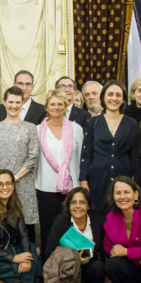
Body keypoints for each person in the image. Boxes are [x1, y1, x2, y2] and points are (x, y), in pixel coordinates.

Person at [80, 80, 141, 219]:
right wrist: (84, 183)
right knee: (98, 216)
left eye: (118, 95)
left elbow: (137, 157)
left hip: (123, 177)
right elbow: (86, 154)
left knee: (121, 216)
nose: (114, 98)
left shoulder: (131, 124)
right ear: (103, 97)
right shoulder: (92, 123)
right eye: (110, 94)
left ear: (124, 99)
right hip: (97, 179)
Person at [0, 87, 40, 241]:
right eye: (10, 101)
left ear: (22, 103)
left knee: (26, 231)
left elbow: (33, 158)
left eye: (18, 102)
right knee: (1, 229)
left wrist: (14, 179)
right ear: (4, 102)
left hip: (24, 186)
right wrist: (4, 181)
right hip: (0, 187)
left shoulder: (30, 128)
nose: (14, 105)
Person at [35, 89, 84, 252]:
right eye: (52, 104)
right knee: (48, 231)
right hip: (45, 188)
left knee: (70, 229)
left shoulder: (76, 129)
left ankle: (72, 268)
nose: (56, 107)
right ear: (47, 107)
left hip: (71, 188)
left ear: (65, 106)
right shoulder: (38, 131)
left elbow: (79, 158)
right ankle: (48, 268)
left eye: (60, 104)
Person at [45, 187, 105, 283]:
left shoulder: (99, 222)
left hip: (89, 265)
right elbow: (49, 250)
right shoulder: (61, 220)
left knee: (98, 266)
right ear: (69, 205)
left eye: (82, 202)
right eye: (74, 202)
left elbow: (103, 251)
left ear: (88, 206)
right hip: (65, 267)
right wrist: (72, 258)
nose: (78, 206)